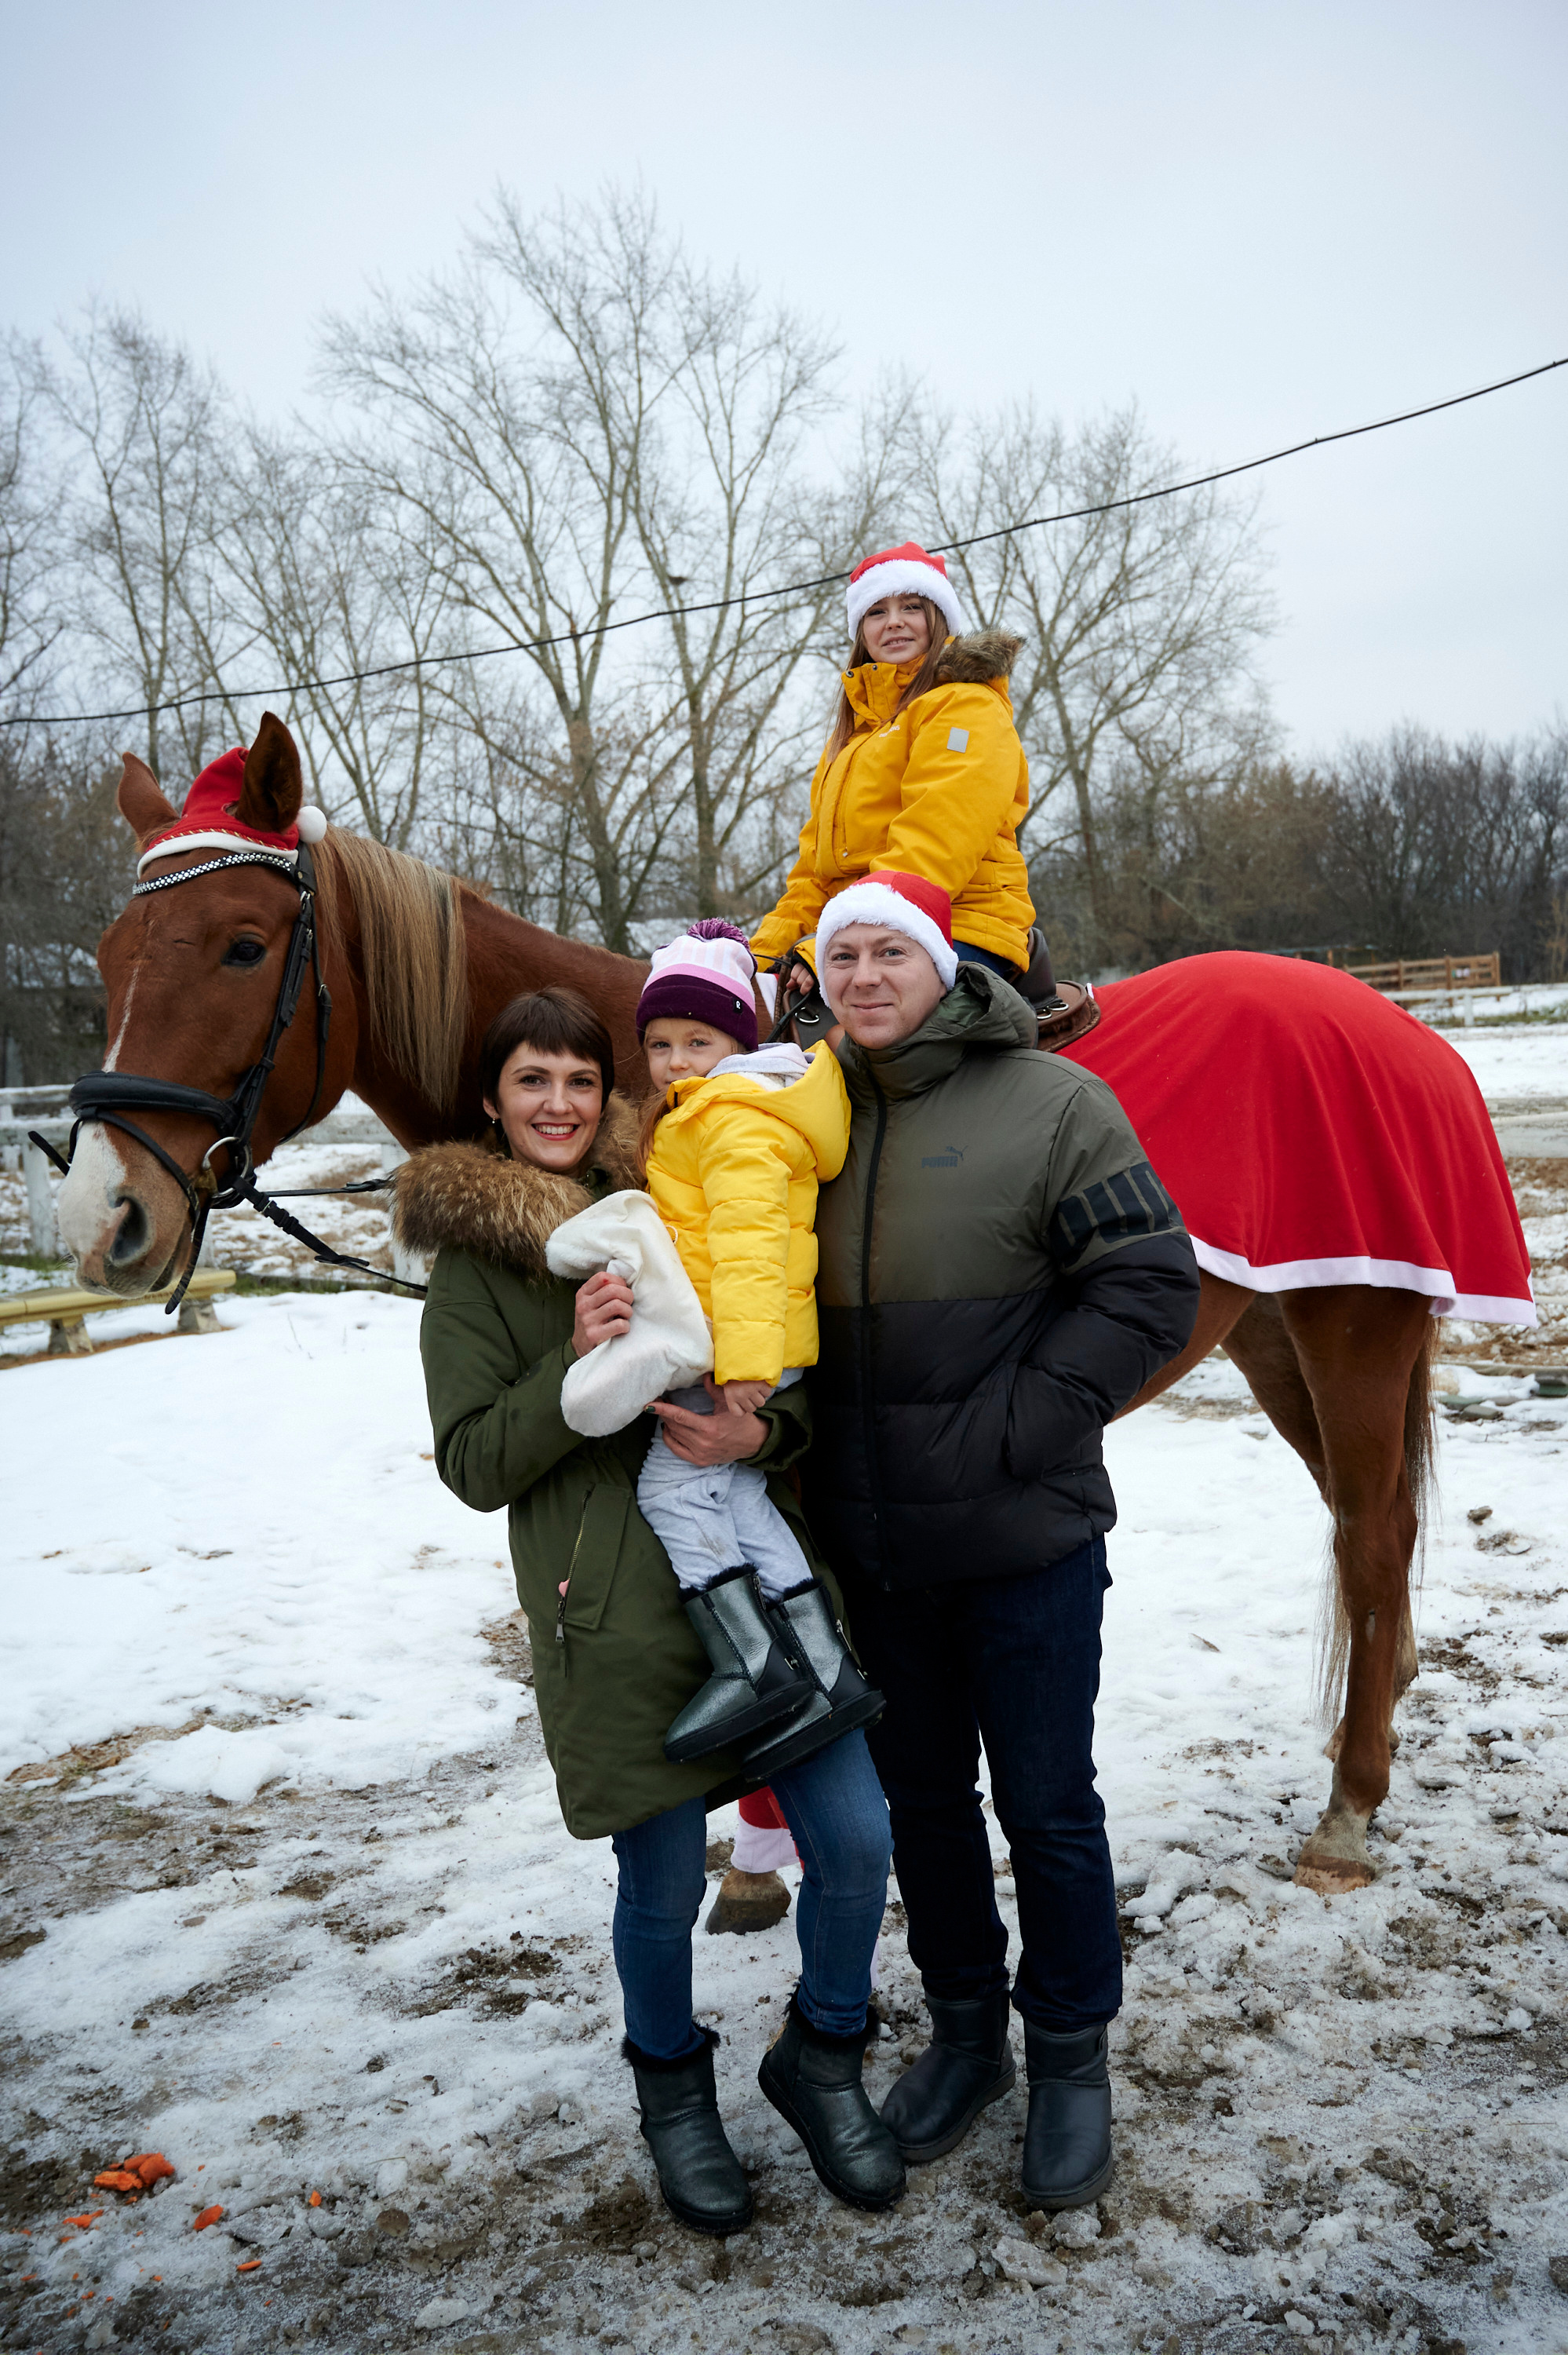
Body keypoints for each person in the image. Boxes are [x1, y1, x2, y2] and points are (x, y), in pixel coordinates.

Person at [393, 984, 905, 2234]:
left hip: (763, 1587)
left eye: (579, 1079)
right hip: (616, 1621)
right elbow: (470, 1464)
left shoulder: (674, 1187)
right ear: (491, 1102)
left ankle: (822, 2057)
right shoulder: (476, 1271)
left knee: (857, 1844)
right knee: (662, 1886)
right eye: (532, 1081)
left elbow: (763, 1339)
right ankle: (675, 2099)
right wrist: (570, 1360)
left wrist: (761, 1421)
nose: (559, 1104)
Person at [798, 871, 1201, 2211]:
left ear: (937, 967)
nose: (862, 976)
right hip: (874, 1553)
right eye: (839, 954)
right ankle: (966, 2030)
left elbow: (1148, 1283)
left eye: (886, 953)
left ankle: (1070, 2056)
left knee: (1044, 1806)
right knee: (922, 1809)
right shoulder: (801, 1115)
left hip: (1024, 1538)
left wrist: (1017, 1422)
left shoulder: (1053, 1105)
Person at [631, 921, 884, 1773]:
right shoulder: (720, 1108)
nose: (674, 1061)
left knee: (671, 1490)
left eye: (697, 1040)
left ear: (740, 1040)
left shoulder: (732, 1117)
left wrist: (740, 1368)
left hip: (742, 1345)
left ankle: (750, 1663)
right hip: (749, 1340)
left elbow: (746, 1246)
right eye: (660, 1043)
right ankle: (823, 1668)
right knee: (739, 1498)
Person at [749, 541, 1035, 989]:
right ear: (861, 631)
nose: (895, 621)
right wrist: (756, 959)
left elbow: (934, 845)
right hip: (863, 933)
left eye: (912, 606)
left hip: (961, 924)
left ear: (938, 618)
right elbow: (813, 877)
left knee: (866, 1036)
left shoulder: (966, 707)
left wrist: (834, 945)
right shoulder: (849, 743)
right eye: (876, 611)